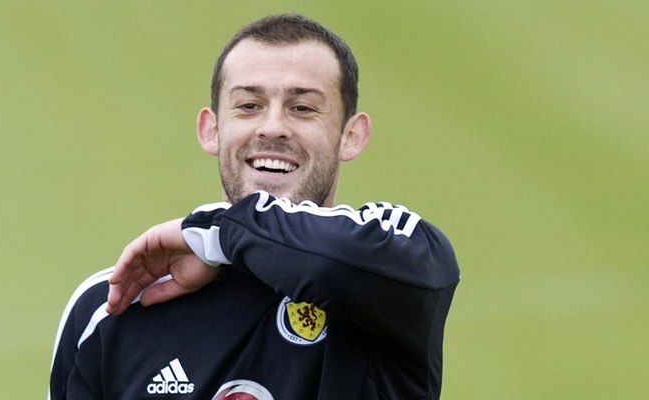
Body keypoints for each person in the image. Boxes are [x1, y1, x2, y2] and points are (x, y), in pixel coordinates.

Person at [49, 14, 460, 400]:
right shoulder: (111, 305)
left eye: (302, 108)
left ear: (350, 136)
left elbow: (328, 267)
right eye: (248, 105)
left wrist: (217, 234)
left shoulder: (394, 260)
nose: (273, 127)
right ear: (211, 130)